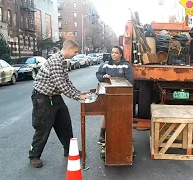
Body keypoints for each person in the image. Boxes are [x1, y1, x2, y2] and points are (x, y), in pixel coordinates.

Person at [29, 40, 90, 168]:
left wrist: (79, 93)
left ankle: (70, 151)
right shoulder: (56, 61)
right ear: (68, 48)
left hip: (55, 97)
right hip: (43, 98)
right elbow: (61, 85)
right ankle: (34, 156)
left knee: (65, 124)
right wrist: (78, 97)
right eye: (75, 51)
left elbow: (67, 81)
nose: (76, 54)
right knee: (43, 127)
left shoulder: (63, 61)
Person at [96, 46, 134, 143]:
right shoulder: (106, 65)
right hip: (108, 94)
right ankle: (102, 135)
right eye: (112, 52)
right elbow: (98, 75)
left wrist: (123, 89)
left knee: (122, 115)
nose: (113, 54)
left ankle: (124, 135)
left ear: (121, 55)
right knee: (107, 114)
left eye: (116, 53)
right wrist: (103, 76)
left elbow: (130, 80)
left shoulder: (126, 66)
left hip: (122, 95)